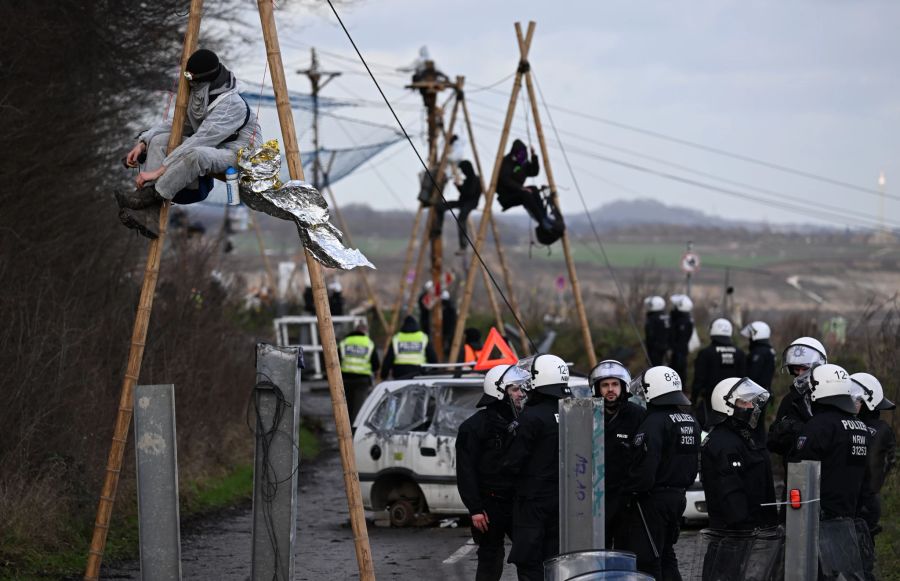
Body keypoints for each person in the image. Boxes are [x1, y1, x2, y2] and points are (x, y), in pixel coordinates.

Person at [118, 49, 260, 239]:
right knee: (161, 140)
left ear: (203, 77)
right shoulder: (200, 93)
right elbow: (177, 124)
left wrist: (159, 171)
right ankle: (150, 216)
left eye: (189, 76)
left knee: (198, 154)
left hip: (239, 156)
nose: (186, 79)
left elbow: (200, 140)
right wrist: (143, 142)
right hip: (210, 149)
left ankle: (149, 195)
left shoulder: (231, 104)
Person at [789, 364, 874, 578]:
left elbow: (799, 471)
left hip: (819, 524)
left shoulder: (819, 427)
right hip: (849, 521)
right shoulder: (860, 427)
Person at [621, 366, 700, 579]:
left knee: (648, 559)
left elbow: (646, 467)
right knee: (666, 553)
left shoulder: (653, 422)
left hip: (653, 500)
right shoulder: (690, 420)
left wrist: (630, 491)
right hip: (678, 496)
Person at [502, 354, 572, 581]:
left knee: (529, 561)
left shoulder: (531, 417)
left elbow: (514, 461)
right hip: (565, 499)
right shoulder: (573, 412)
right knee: (555, 561)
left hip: (532, 502)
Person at [456, 364, 529, 581]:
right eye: (515, 389)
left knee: (529, 557)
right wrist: (475, 509)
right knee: (490, 560)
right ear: (499, 391)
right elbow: (465, 471)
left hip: (519, 503)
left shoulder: (525, 422)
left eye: (521, 388)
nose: (521, 394)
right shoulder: (474, 427)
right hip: (489, 507)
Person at [701, 377, 777, 530]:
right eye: (744, 402)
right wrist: (746, 527)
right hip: (734, 535)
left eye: (751, 402)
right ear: (726, 405)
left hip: (754, 531)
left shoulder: (744, 436)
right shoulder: (723, 442)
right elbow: (730, 492)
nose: (751, 406)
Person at [589, 359, 645, 550]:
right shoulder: (584, 413)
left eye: (615, 384)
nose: (610, 389)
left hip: (626, 499)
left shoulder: (637, 415)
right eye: (605, 385)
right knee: (597, 552)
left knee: (626, 552)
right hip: (595, 498)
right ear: (597, 388)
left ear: (623, 386)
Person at [767, 337, 828, 476]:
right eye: (796, 369)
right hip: (795, 473)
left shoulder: (830, 398)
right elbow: (772, 442)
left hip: (826, 475)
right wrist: (786, 431)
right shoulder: (790, 400)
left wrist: (801, 429)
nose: (800, 374)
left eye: (804, 369)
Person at [851, 372, 896, 538]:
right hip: (870, 499)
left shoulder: (846, 426)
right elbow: (891, 462)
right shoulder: (883, 429)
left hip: (850, 500)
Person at [691, 318, 745, 428]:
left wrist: (693, 401)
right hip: (734, 402)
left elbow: (698, 380)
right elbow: (744, 380)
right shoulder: (740, 354)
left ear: (712, 332)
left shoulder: (706, 353)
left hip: (710, 401)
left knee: (708, 429)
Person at [431, 160, 483, 254]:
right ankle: (438, 229)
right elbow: (465, 193)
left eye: (463, 170)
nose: (462, 172)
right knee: (440, 207)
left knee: (461, 219)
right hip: (462, 202)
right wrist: (459, 187)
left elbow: (469, 193)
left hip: (470, 203)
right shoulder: (468, 179)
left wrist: (458, 187)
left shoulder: (475, 179)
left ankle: (463, 246)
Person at [739, 321, 776, 444]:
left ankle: (757, 451)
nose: (749, 338)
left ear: (756, 335)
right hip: (763, 393)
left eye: (751, 335)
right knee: (757, 425)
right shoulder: (768, 350)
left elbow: (752, 377)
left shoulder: (759, 353)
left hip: (755, 396)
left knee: (752, 426)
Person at [337, 322, 379, 423]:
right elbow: (376, 364)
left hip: (345, 378)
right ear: (365, 332)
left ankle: (345, 426)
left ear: (355, 330)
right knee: (359, 407)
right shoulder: (369, 343)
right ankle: (355, 429)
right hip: (362, 380)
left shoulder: (344, 342)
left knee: (347, 405)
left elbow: (336, 360)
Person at [496, 139, 543, 224]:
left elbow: (534, 172)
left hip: (518, 191)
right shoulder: (506, 161)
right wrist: (521, 188)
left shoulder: (522, 162)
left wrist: (534, 157)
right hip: (506, 196)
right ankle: (541, 220)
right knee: (526, 194)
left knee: (534, 189)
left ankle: (544, 217)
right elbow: (505, 180)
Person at [380, 315, 437, 380]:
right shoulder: (423, 338)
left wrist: (384, 375)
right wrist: (434, 371)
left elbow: (389, 358)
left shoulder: (397, 338)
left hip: (400, 373)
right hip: (418, 373)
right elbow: (432, 358)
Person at [667, 294, 694, 381]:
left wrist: (673, 347)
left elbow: (681, 337)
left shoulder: (683, 321)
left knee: (679, 369)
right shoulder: (682, 319)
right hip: (680, 349)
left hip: (679, 350)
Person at [644, 296, 670, 366]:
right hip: (666, 346)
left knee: (655, 366)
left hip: (655, 348)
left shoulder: (653, 318)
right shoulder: (666, 316)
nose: (649, 307)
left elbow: (650, 334)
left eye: (651, 305)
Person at [441, 290, 457, 357]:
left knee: (448, 341)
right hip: (449, 327)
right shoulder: (451, 306)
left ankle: (448, 353)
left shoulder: (449, 307)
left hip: (448, 327)